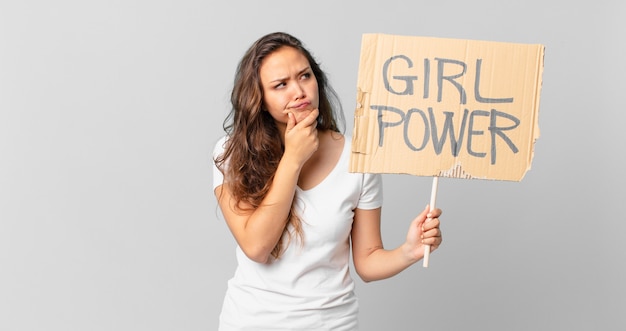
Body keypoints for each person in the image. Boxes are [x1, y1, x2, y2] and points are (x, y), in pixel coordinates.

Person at [212, 32, 442, 331]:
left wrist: (409, 250)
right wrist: (293, 159)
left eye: (305, 76)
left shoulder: (357, 158)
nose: (299, 91)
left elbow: (368, 262)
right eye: (281, 85)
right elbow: (257, 247)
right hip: (251, 322)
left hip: (331, 324)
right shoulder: (230, 154)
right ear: (259, 99)